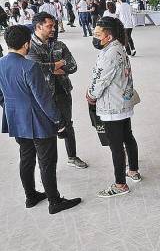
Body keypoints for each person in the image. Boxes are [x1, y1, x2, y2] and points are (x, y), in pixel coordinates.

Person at [0, 25, 82, 214]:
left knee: (26, 158)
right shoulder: (30, 66)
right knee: (47, 161)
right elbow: (43, 98)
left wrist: (10, 107)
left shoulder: (0, 63)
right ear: (26, 44)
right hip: (37, 120)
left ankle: (31, 196)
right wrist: (59, 122)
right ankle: (55, 202)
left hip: (15, 118)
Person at [86, 17, 141, 197]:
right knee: (128, 137)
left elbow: (101, 79)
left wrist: (91, 95)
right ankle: (133, 170)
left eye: (97, 34)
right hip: (122, 102)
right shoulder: (118, 47)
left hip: (112, 106)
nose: (95, 37)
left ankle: (120, 184)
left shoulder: (109, 53)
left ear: (108, 36)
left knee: (116, 146)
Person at [27, 12, 88, 169]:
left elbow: (72, 67)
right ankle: (47, 164)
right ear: (38, 26)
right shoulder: (28, 46)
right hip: (42, 95)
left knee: (67, 124)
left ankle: (72, 157)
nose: (53, 28)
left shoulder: (59, 45)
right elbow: (35, 69)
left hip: (63, 91)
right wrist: (58, 65)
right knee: (46, 129)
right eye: (49, 26)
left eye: (54, 25)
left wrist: (50, 67)